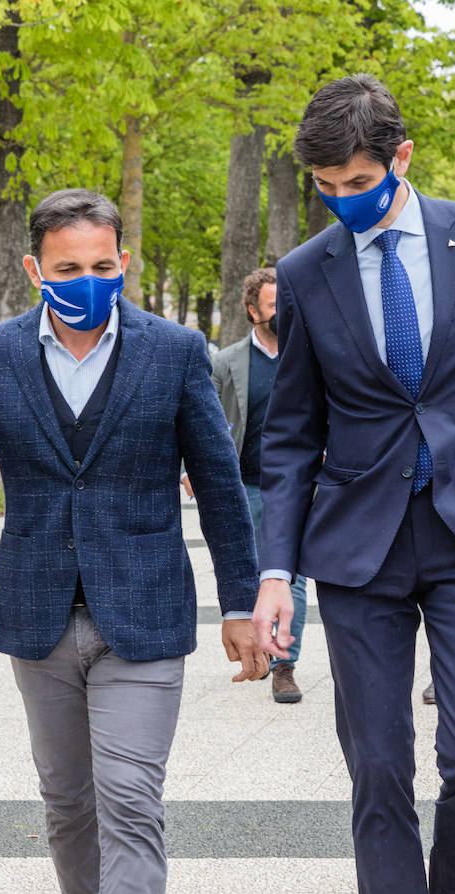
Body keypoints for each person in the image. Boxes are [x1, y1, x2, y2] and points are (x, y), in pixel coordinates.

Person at [0, 189, 262, 894]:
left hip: (145, 612)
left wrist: (239, 602)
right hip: (37, 618)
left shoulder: (173, 351)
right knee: (69, 805)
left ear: (123, 262)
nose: (86, 281)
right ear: (35, 270)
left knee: (129, 800)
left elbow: (223, 488)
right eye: (67, 268)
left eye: (102, 265)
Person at [253, 75, 455, 894]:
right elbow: (292, 430)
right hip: (357, 546)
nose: (342, 201)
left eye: (358, 183)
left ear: (400, 157)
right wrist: (278, 572)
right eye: (326, 188)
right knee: (378, 766)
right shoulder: (307, 273)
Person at [184, 267, 311, 703]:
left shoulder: (308, 354)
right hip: (246, 485)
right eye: (275, 307)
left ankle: (284, 665)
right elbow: (206, 420)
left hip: (298, 486)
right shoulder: (225, 362)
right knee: (258, 575)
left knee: (291, 576)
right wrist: (193, 469)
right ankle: (259, 645)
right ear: (253, 310)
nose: (283, 315)